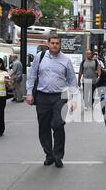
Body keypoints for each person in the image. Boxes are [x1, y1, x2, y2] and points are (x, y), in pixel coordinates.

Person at [26, 35, 78, 168]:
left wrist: (74, 100)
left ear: (60, 45)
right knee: (43, 128)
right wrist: (29, 93)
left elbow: (72, 81)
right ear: (48, 44)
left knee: (58, 125)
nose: (55, 45)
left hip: (59, 97)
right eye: (52, 43)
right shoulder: (40, 57)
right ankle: (49, 155)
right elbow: (32, 75)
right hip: (42, 96)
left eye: (57, 43)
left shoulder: (66, 60)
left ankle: (58, 156)